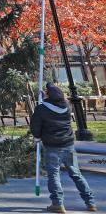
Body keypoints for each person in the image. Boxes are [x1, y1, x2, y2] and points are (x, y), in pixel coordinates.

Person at [31, 82, 97, 212]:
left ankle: (58, 204)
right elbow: (53, 105)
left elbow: (35, 127)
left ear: (48, 95)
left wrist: (37, 136)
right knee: (76, 174)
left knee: (54, 175)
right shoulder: (66, 106)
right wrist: (46, 99)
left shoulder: (41, 109)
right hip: (68, 146)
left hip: (52, 147)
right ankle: (90, 202)